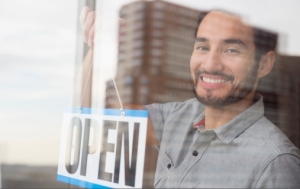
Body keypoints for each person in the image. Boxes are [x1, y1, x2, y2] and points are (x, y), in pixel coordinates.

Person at [80, 7, 300, 188]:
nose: (210, 64)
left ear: (264, 64)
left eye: (231, 50)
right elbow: (96, 113)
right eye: (203, 47)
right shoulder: (177, 116)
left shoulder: (276, 163)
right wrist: (98, 46)